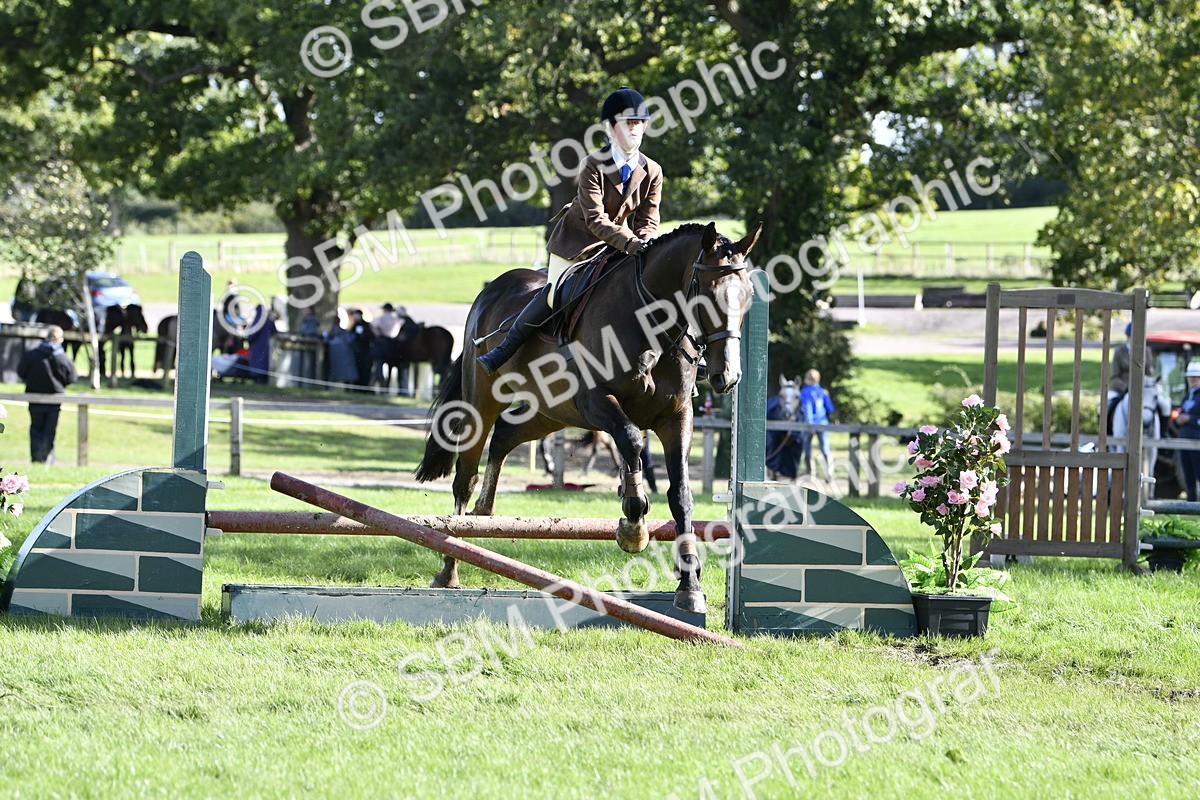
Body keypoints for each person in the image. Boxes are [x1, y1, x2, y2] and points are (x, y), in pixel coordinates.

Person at [478, 86, 662, 375]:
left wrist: (646, 243)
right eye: (628, 124)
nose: (635, 130)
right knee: (555, 294)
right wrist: (633, 244)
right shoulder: (592, 164)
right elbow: (595, 219)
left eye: (639, 123)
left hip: (620, 245)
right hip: (577, 243)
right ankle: (506, 348)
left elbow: (648, 220)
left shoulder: (652, 170)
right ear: (610, 129)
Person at [17, 326, 78, 463]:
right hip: (54, 400)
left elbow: (21, 372)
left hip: (34, 399)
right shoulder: (63, 358)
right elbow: (72, 377)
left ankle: (36, 458)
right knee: (49, 430)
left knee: (36, 428)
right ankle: (48, 458)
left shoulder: (32, 354)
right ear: (60, 339)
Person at [799, 369, 836, 481]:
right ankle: (829, 472)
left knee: (807, 449)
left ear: (807, 379)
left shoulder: (805, 391)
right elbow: (830, 409)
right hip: (822, 423)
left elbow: (806, 409)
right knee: (825, 448)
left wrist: (810, 423)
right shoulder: (823, 392)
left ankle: (811, 474)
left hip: (809, 424)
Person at [1175, 362, 1200, 501]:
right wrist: (1177, 420)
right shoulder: (1187, 396)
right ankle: (1191, 504)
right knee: (1188, 474)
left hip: (1197, 441)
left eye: (1196, 377)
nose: (1192, 379)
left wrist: (1189, 419)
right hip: (1184, 439)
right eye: (1190, 377)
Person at [370, 303, 404, 389]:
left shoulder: (380, 319)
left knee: (379, 367)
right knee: (390, 366)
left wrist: (378, 333)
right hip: (392, 345)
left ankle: (380, 385)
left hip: (381, 344)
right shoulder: (397, 320)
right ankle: (385, 386)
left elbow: (372, 325)